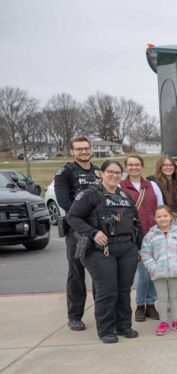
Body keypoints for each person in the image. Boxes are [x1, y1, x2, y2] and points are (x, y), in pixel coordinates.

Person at [65, 160, 141, 344]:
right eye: (110, 172)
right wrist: (93, 232)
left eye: (117, 173)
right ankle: (106, 329)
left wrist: (139, 246)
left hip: (126, 248)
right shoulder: (90, 195)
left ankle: (124, 326)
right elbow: (72, 217)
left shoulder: (124, 195)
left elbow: (136, 222)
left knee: (123, 290)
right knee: (107, 290)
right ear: (101, 173)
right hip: (100, 250)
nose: (114, 176)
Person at [54, 136, 100, 331]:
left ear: (91, 150)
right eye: (79, 149)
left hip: (99, 230)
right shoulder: (64, 173)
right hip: (77, 231)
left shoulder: (99, 171)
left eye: (86, 148)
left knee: (101, 274)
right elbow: (65, 203)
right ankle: (75, 316)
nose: (83, 152)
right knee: (76, 275)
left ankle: (103, 313)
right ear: (72, 151)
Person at [121, 154, 164, 322]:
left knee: (153, 271)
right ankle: (140, 305)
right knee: (144, 274)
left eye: (137, 164)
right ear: (126, 167)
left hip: (153, 234)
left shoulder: (152, 185)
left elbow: (160, 207)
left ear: (142, 166)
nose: (134, 167)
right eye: (130, 165)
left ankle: (150, 305)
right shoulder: (120, 186)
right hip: (134, 236)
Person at [139, 205, 177, 336]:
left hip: (175, 272)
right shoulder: (150, 235)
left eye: (165, 216)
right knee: (162, 298)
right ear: (155, 218)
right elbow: (145, 253)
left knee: (174, 297)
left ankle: (176, 320)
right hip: (158, 273)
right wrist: (153, 268)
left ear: (171, 217)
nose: (162, 219)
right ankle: (163, 322)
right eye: (159, 216)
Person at [149, 155, 177, 309]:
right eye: (165, 165)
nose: (168, 168)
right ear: (160, 167)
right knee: (162, 262)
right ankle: (163, 299)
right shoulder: (153, 182)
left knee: (176, 263)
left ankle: (176, 298)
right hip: (163, 224)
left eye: (171, 165)